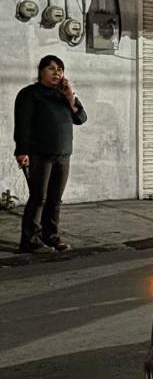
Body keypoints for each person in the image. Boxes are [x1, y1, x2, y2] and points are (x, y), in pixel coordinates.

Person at [13, 55, 86, 253]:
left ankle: (51, 237)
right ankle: (30, 240)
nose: (57, 73)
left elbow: (81, 118)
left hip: (63, 154)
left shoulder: (63, 95)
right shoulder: (30, 94)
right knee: (38, 197)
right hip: (38, 154)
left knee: (55, 198)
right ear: (41, 71)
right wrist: (22, 151)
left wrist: (71, 96)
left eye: (60, 69)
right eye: (52, 68)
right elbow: (23, 125)